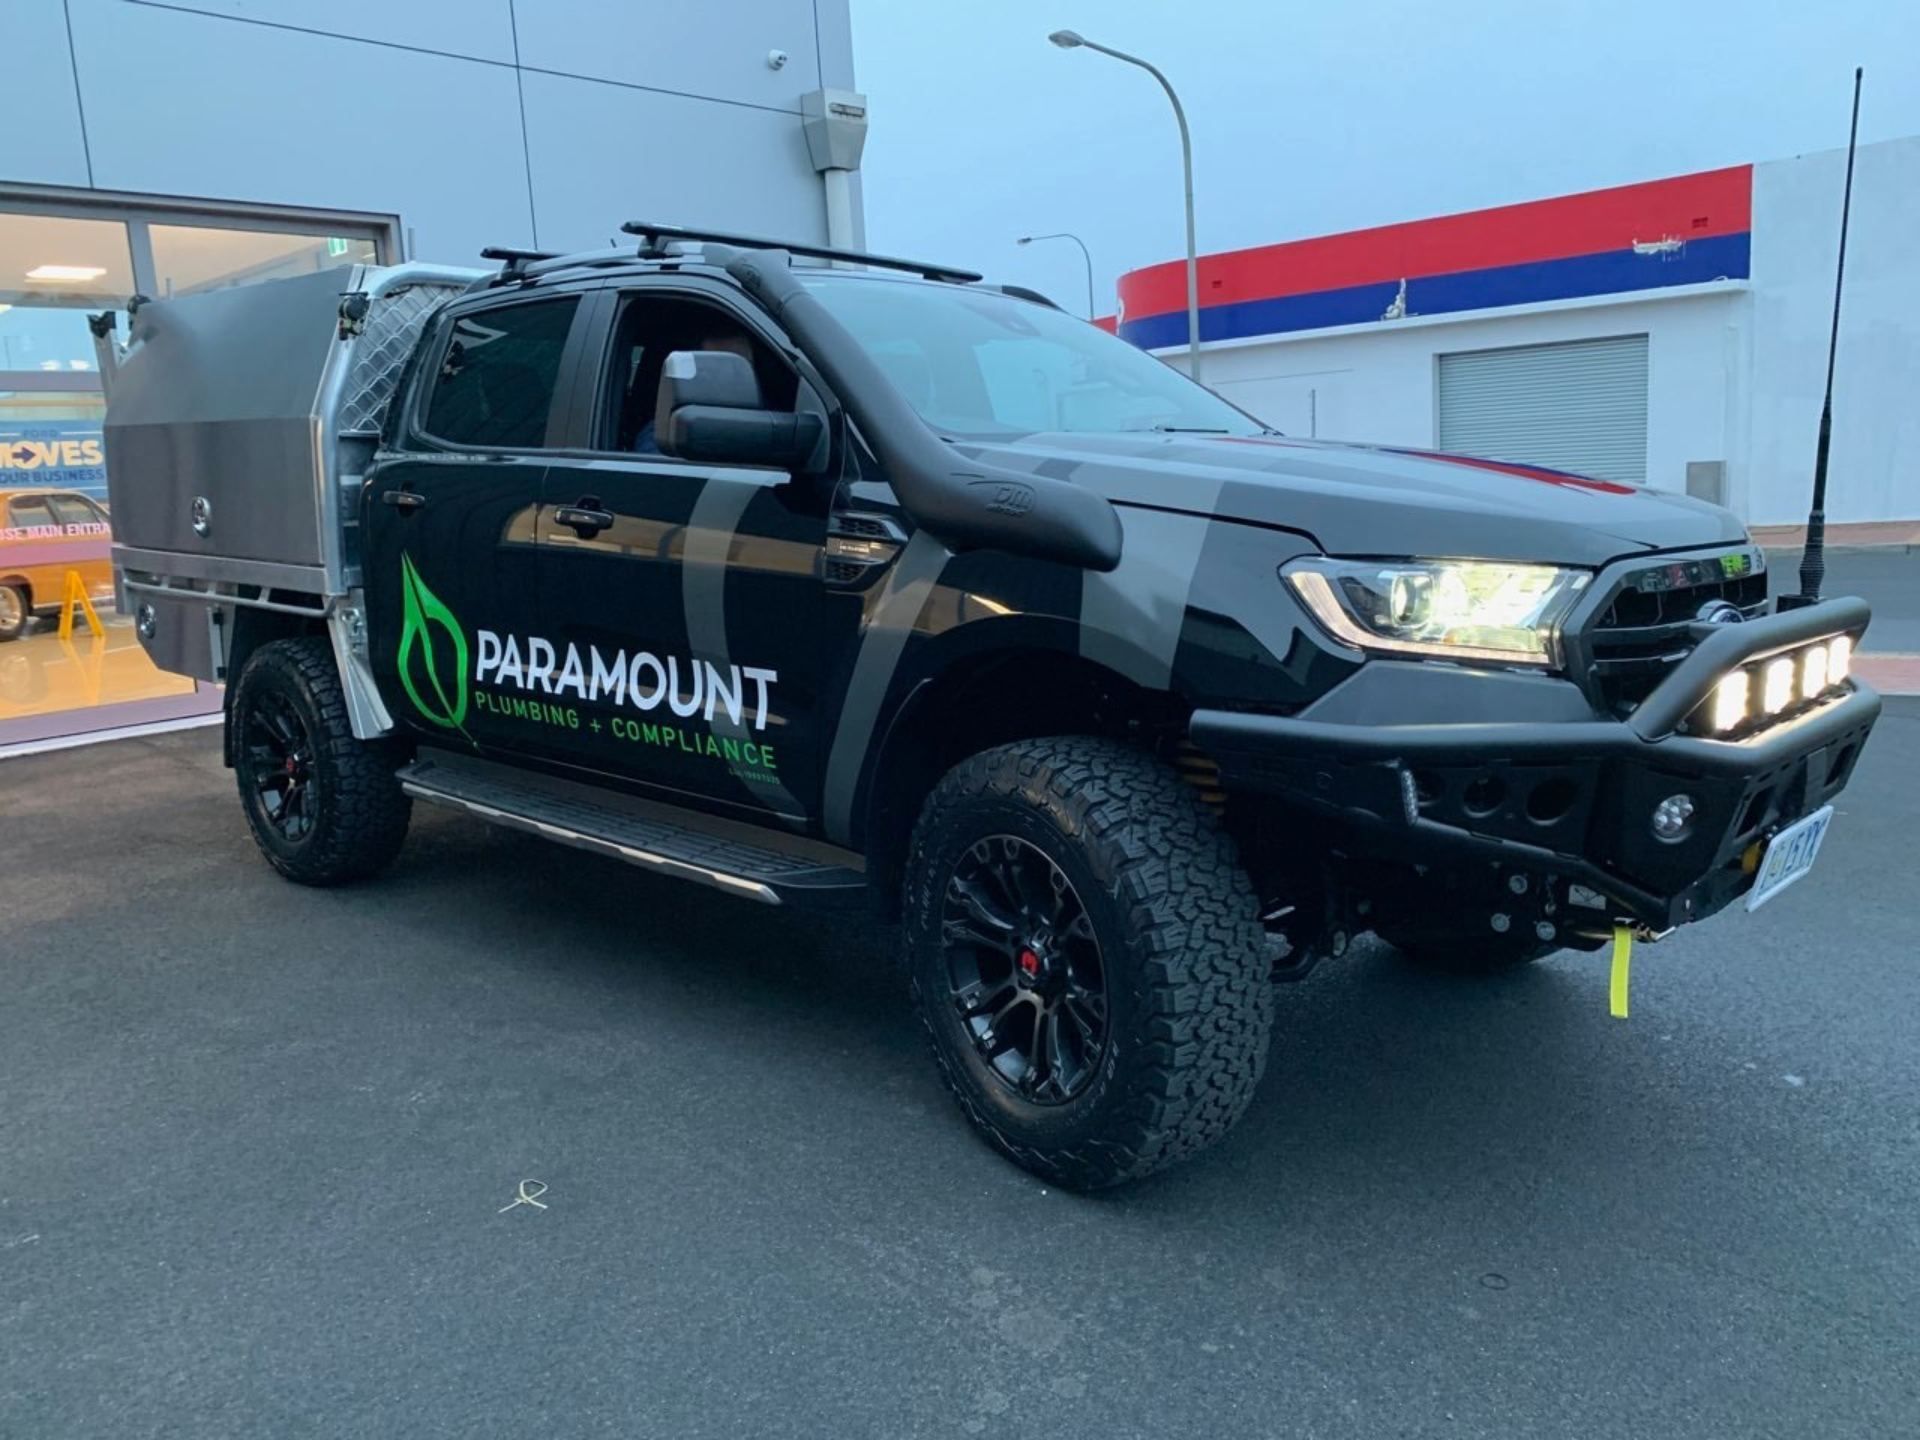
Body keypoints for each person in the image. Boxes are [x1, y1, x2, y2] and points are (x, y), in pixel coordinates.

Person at [630, 327, 758, 455]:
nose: (730, 379)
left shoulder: (767, 424)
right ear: (696, 378)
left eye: (741, 369)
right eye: (718, 370)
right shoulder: (665, 437)